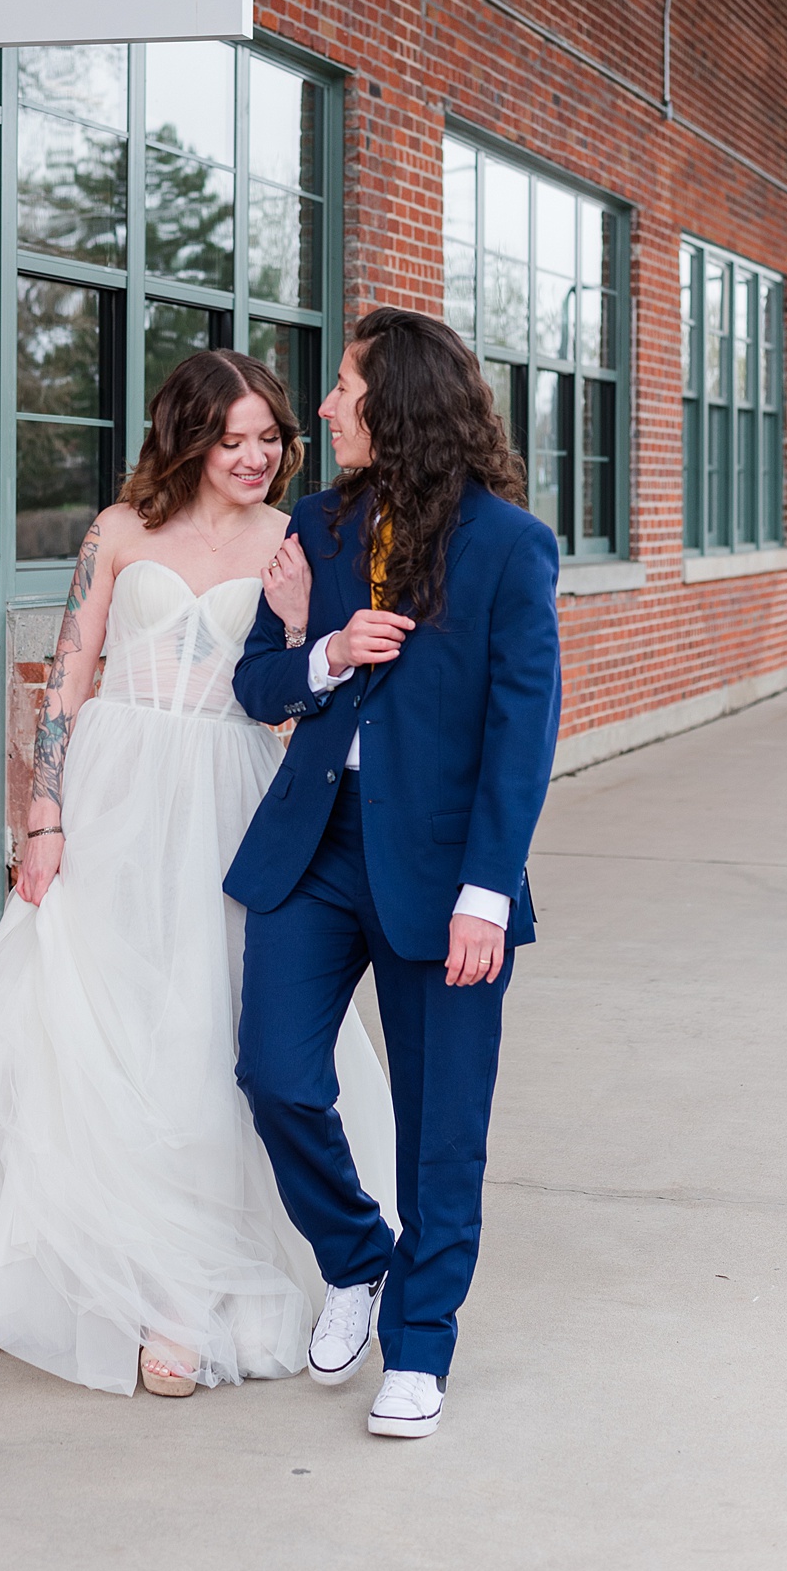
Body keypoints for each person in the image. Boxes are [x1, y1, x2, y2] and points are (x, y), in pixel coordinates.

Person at [0, 351, 397, 1399]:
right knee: (105, 1025)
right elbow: (67, 672)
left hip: (232, 791)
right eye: (233, 437)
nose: (256, 455)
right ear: (188, 435)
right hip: (119, 793)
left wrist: (306, 621)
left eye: (269, 436)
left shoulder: (297, 536)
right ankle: (125, 1290)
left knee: (210, 1032)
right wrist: (43, 813)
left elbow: (292, 694)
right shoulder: (119, 531)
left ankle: (198, 1294)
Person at [228, 307, 561, 1440]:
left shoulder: (510, 545)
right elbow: (258, 684)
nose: (321, 408)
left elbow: (524, 732)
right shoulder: (315, 526)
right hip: (315, 846)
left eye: (340, 386)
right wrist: (322, 650)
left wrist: (487, 888)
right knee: (273, 1073)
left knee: (440, 1127)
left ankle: (422, 1346)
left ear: (397, 401)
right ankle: (357, 1255)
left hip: (445, 867)